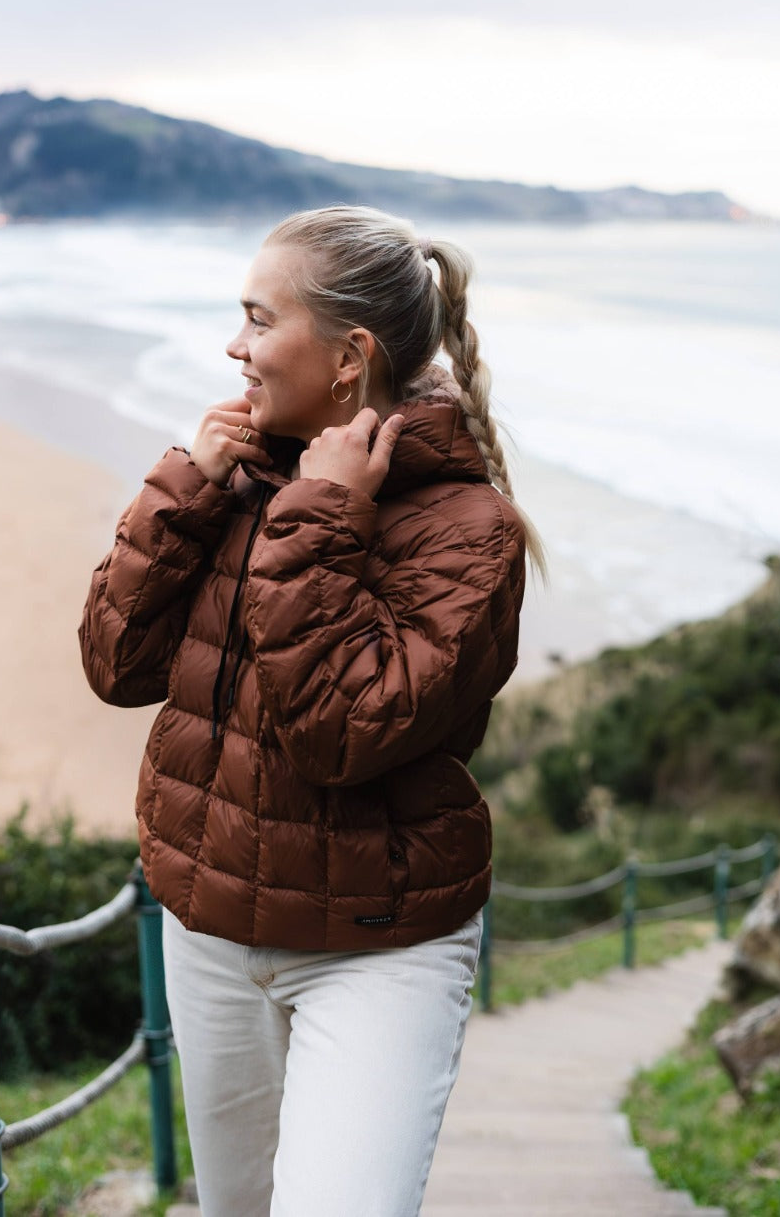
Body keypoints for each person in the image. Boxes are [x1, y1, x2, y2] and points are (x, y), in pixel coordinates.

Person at [79, 205, 543, 1217]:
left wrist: (322, 515)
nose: (233, 346)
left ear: (349, 356)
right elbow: (115, 665)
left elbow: (346, 734)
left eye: (258, 319)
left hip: (379, 950)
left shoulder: (471, 531)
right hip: (204, 927)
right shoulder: (235, 477)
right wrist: (182, 488)